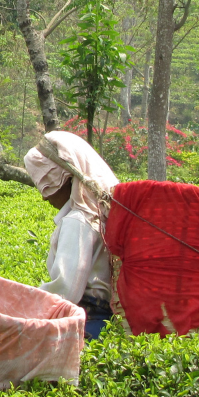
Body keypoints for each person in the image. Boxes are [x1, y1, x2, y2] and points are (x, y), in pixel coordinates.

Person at [24, 130, 119, 339]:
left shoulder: (78, 221)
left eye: (46, 184)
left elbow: (65, 291)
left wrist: (22, 306)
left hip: (88, 323)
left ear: (66, 177)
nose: (44, 196)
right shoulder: (103, 211)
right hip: (107, 320)